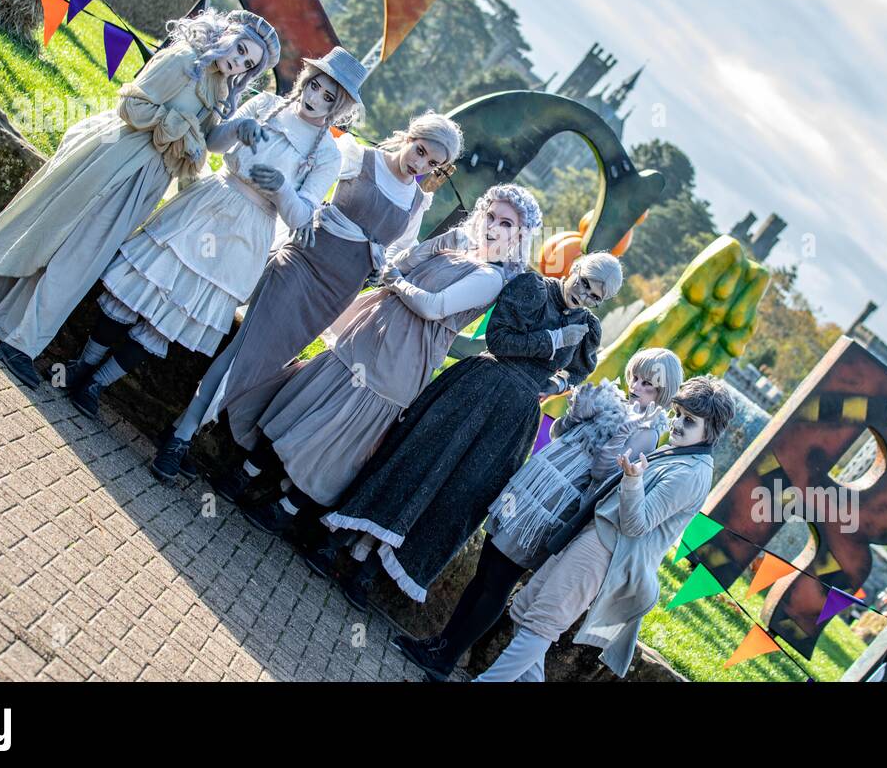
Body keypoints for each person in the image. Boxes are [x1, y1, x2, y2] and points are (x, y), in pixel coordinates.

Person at [0, 9, 279, 388]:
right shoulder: (185, 59)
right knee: (57, 234)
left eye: (247, 63)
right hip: (117, 158)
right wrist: (182, 129)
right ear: (227, 33)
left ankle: (18, 339)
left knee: (85, 258)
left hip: (148, 179)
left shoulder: (219, 84)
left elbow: (206, 141)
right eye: (240, 49)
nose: (238, 62)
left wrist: (231, 129)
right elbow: (132, 105)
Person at [146, 109, 465, 479]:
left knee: (265, 365)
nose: (420, 164)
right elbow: (305, 189)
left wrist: (386, 264)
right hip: (300, 266)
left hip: (336, 293)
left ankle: (185, 429)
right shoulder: (357, 156)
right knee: (245, 353)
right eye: (421, 151)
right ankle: (179, 437)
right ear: (410, 137)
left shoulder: (416, 202)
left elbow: (396, 253)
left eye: (433, 163)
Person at [61, 48, 363, 435]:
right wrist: (237, 129)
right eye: (315, 86)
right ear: (305, 80)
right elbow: (213, 144)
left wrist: (283, 189)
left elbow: (302, 216)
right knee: (141, 284)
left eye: (327, 97)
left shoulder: (326, 154)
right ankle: (81, 365)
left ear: (338, 108)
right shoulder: (268, 104)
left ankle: (98, 383)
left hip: (248, 232)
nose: (315, 98)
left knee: (174, 313)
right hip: (210, 201)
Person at [216, 185, 543, 535]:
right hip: (373, 329)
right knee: (310, 400)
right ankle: (245, 473)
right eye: (491, 215)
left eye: (506, 223)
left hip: (404, 357)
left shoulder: (492, 278)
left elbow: (434, 307)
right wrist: (431, 248)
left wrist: (399, 283)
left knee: (342, 433)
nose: (493, 226)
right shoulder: (459, 245)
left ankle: (286, 508)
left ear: (520, 235)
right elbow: (401, 262)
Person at [311, 252, 625, 611]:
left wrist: (555, 385)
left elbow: (580, 371)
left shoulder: (587, 328)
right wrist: (553, 339)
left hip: (514, 418)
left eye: (596, 297)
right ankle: (338, 541)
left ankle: (369, 571)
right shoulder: (531, 287)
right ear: (576, 269)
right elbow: (500, 340)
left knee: (457, 493)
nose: (585, 297)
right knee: (416, 458)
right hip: (477, 387)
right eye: (585, 284)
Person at [393, 347, 684, 680]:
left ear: (662, 393)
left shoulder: (646, 431)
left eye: (649, 384)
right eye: (636, 376)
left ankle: (447, 659)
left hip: (553, 508)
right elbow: (560, 432)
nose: (637, 385)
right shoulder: (615, 401)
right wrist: (579, 413)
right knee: (485, 571)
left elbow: (606, 475)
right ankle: (440, 644)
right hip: (532, 490)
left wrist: (616, 431)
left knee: (498, 583)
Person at [473, 374, 734, 681]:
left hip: (607, 550)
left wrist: (633, 480)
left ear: (710, 430)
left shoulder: (692, 471)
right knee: (526, 609)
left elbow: (637, 524)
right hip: (593, 536)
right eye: (679, 415)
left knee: (541, 622)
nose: (677, 424)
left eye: (690, 421)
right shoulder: (682, 455)